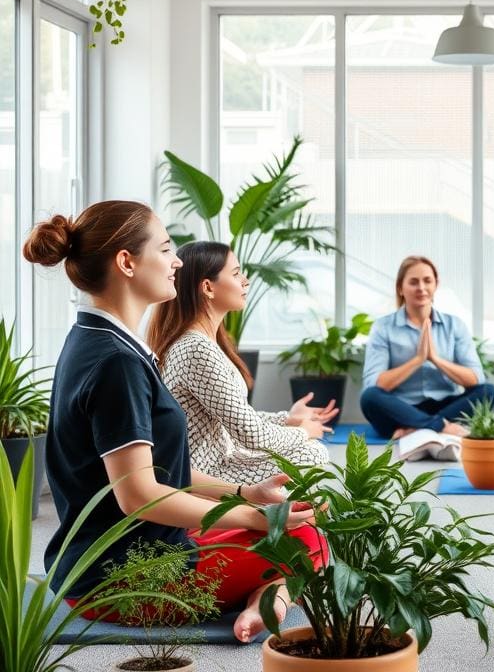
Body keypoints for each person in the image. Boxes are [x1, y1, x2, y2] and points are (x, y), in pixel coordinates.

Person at [23, 202, 325, 643]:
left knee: (293, 524)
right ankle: (273, 597)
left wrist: (246, 494)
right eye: (165, 249)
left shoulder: (95, 340)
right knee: (311, 542)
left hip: (125, 557)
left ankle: (270, 595)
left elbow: (159, 471)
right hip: (126, 579)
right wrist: (258, 519)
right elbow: (139, 495)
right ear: (126, 262)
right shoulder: (115, 363)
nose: (177, 261)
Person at [147, 241, 337, 485]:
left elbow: (238, 417)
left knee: (309, 450)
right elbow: (251, 435)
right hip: (208, 475)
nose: (245, 281)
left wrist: (288, 418)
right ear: (208, 287)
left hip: (222, 461)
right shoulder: (196, 348)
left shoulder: (203, 342)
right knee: (311, 451)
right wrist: (303, 431)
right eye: (236, 274)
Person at [360, 255, 494, 439]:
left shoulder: (455, 325)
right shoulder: (383, 327)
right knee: (369, 398)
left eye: (427, 281)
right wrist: (418, 360)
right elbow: (375, 384)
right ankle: (438, 426)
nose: (421, 288)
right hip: (402, 409)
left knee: (489, 391)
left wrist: (436, 359)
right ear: (401, 288)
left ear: (435, 285)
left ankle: (416, 428)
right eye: (414, 282)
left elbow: (475, 378)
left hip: (447, 406)